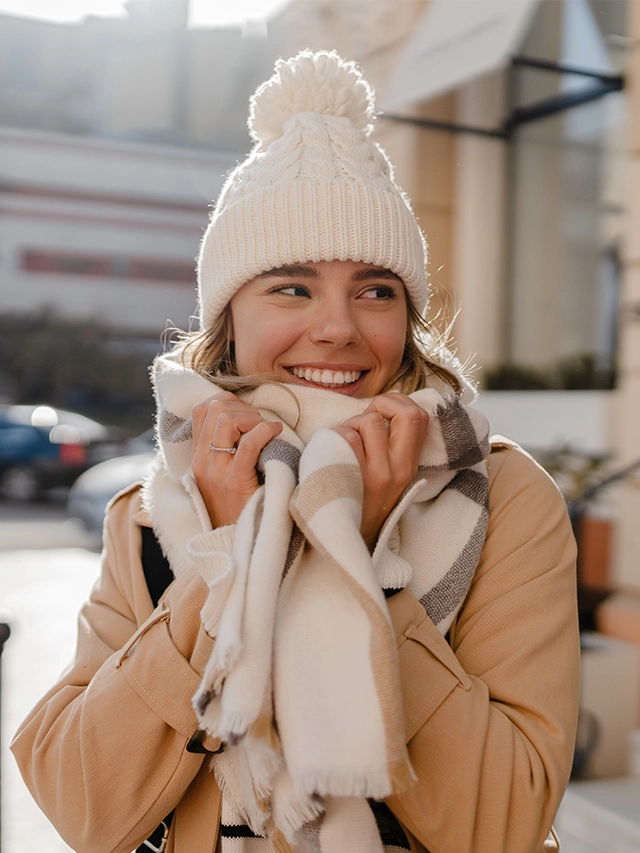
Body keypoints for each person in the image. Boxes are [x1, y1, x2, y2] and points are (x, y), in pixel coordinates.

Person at [11, 51, 579, 853]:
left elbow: (507, 819)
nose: (339, 327)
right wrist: (220, 561)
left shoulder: (502, 497)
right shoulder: (156, 511)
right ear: (228, 315)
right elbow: (83, 806)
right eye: (292, 286)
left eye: (376, 289)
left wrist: (362, 559)